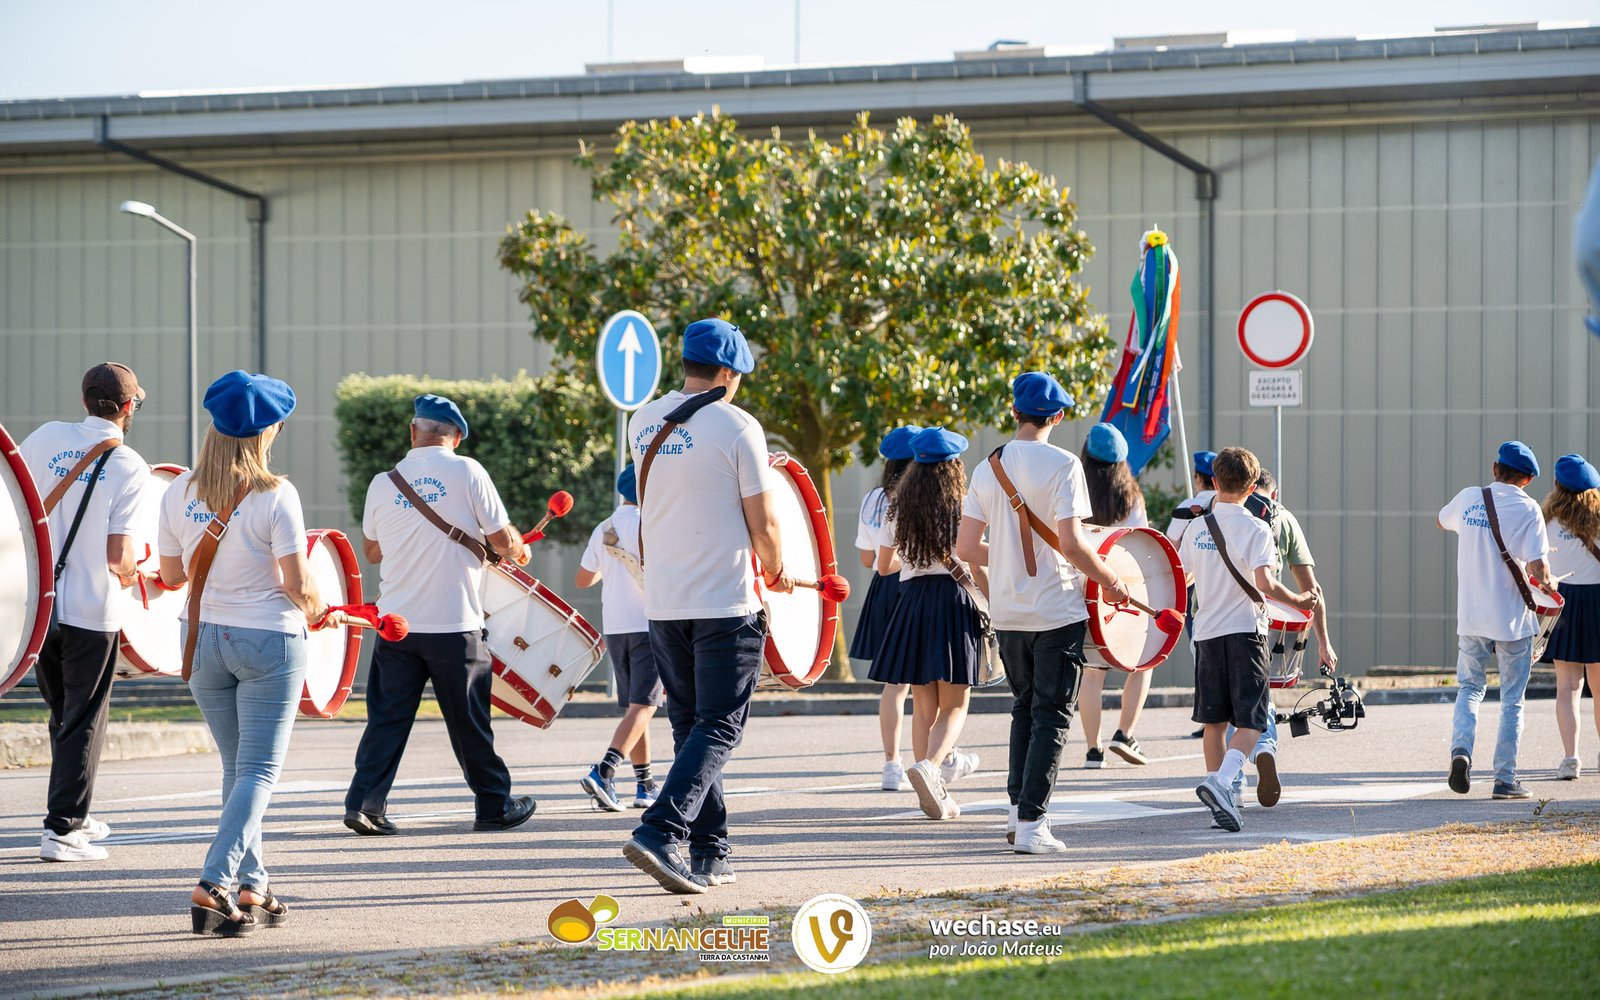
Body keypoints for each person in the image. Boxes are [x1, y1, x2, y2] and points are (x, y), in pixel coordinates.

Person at [155, 371, 331, 936]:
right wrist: (320, 606)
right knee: (258, 770)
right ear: (266, 432)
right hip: (268, 641)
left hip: (202, 640)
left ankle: (254, 885)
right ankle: (214, 883)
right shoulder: (277, 493)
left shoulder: (177, 491)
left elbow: (175, 574)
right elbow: (296, 582)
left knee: (237, 771)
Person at [621, 318, 792, 894]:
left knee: (692, 725)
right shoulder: (738, 426)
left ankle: (710, 851)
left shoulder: (643, 422)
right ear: (726, 373)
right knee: (721, 725)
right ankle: (660, 830)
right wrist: (777, 565)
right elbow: (763, 520)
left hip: (664, 600)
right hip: (724, 598)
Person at [343, 394, 535, 837]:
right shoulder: (468, 470)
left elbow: (372, 549)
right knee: (469, 721)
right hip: (454, 624)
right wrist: (518, 547)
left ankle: (365, 804)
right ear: (457, 436)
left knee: (387, 719)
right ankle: (493, 806)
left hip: (396, 624)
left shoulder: (382, 482)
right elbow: (503, 542)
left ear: (413, 432)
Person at [957, 379, 1131, 853]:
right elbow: (1073, 544)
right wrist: (1112, 579)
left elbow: (967, 549)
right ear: (1056, 417)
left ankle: (1017, 814)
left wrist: (1011, 557)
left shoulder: (986, 467)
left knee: (1023, 710)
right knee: (1052, 716)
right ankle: (1033, 825)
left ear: (1014, 411)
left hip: (1009, 611)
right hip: (1056, 609)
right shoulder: (1064, 465)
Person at [19, 363, 151, 863]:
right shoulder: (129, 464)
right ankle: (63, 829)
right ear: (127, 407)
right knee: (85, 719)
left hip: (37, 607)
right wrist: (140, 573)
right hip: (92, 610)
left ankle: (77, 809)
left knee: (63, 715)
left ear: (84, 402)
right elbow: (119, 557)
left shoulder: (44, 437)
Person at [1180, 447, 1316, 833]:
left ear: (1215, 482)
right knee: (1253, 721)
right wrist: (1299, 600)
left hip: (1205, 634)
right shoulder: (1257, 529)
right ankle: (1221, 783)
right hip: (1244, 632)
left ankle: (1219, 801)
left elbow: (1183, 577)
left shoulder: (1196, 528)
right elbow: (1266, 584)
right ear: (1253, 487)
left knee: (1213, 722)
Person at [873, 427, 984, 822]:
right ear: (953, 466)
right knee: (956, 703)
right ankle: (932, 769)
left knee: (924, 707)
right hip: (953, 601)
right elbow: (973, 555)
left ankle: (933, 791)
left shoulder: (898, 506)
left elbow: (884, 564)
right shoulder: (964, 504)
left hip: (912, 602)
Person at [1438, 441, 1551, 800]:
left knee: (1470, 688)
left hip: (1471, 616)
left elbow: (1442, 521)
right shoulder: (1529, 509)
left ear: (1494, 469)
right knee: (1512, 700)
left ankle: (1461, 752)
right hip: (1512, 620)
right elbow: (1538, 568)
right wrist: (1548, 581)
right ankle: (1505, 779)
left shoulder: (1470, 497)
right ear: (1528, 479)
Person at [1222, 468, 1341, 809]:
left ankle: (1232, 784)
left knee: (1229, 704)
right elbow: (1312, 590)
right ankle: (1264, 748)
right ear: (1273, 494)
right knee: (1260, 695)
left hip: (1216, 620)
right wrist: (1323, 641)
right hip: (1268, 623)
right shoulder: (1282, 519)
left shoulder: (1221, 513)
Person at [577, 464, 662, 810]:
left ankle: (645, 785)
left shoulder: (604, 527)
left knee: (635, 707)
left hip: (615, 627)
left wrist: (610, 568)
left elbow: (583, 579)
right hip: (649, 624)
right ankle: (605, 771)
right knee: (646, 705)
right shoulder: (654, 523)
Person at [1075, 422, 1153, 770]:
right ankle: (1126, 732)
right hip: (1123, 585)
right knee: (1143, 660)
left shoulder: (1074, 489)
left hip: (1083, 588)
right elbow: (1143, 540)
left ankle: (1094, 750)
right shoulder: (1131, 496)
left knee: (1093, 673)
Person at [851, 425, 917, 791]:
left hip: (883, 588)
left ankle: (892, 764)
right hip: (916, 584)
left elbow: (866, 560)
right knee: (929, 681)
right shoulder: (921, 495)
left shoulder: (873, 498)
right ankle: (941, 757)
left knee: (895, 684)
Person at [1541, 454, 1600, 779]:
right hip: (1597, 599)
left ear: (1557, 485)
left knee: (1567, 686)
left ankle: (1570, 758)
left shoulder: (1546, 519)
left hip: (1563, 602)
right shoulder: (1599, 517)